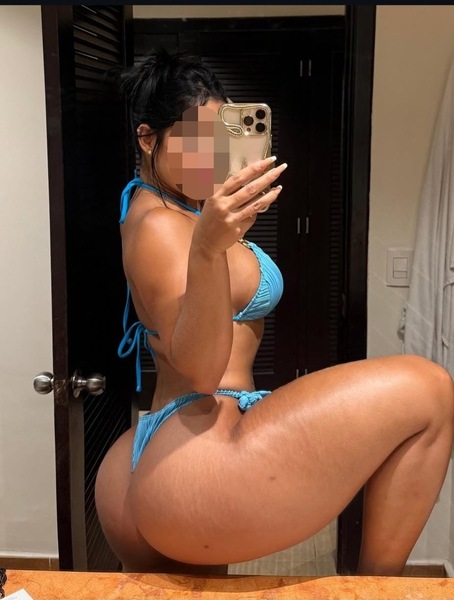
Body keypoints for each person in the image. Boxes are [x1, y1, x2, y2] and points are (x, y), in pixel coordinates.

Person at [95, 47, 454, 576]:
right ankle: (378, 590)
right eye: (197, 140)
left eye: (222, 139)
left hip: (168, 450)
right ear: (148, 139)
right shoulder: (162, 226)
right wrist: (208, 249)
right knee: (429, 389)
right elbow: (200, 372)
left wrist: (215, 229)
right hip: (195, 455)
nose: (213, 156)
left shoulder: (177, 207)